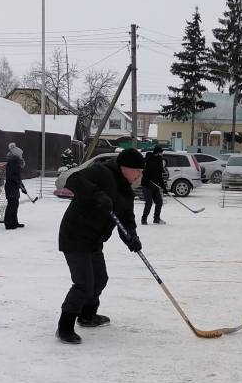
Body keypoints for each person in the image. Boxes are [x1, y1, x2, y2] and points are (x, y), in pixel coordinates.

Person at [56, 148, 144, 344]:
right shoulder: (101, 172)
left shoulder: (126, 192)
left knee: (100, 279)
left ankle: (87, 316)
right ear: (125, 167)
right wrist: (97, 195)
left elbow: (127, 221)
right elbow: (73, 180)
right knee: (84, 284)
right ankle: (64, 326)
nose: (139, 175)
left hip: (94, 240)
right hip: (75, 235)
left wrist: (132, 238)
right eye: (137, 170)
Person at [141, 146, 168, 225]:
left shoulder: (159, 161)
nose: (162, 154)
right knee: (149, 203)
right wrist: (146, 176)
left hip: (155, 185)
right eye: (161, 152)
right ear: (157, 152)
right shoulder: (148, 159)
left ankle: (156, 219)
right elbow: (143, 170)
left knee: (159, 202)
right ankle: (144, 219)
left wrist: (164, 188)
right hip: (147, 185)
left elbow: (160, 176)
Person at [4, 143, 25, 230]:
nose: (21, 156)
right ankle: (8, 224)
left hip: (14, 186)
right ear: (16, 155)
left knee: (15, 205)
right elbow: (11, 176)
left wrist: (21, 184)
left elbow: (17, 176)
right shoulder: (12, 163)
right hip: (10, 186)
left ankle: (14, 222)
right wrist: (18, 182)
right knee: (11, 205)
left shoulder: (16, 163)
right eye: (20, 155)